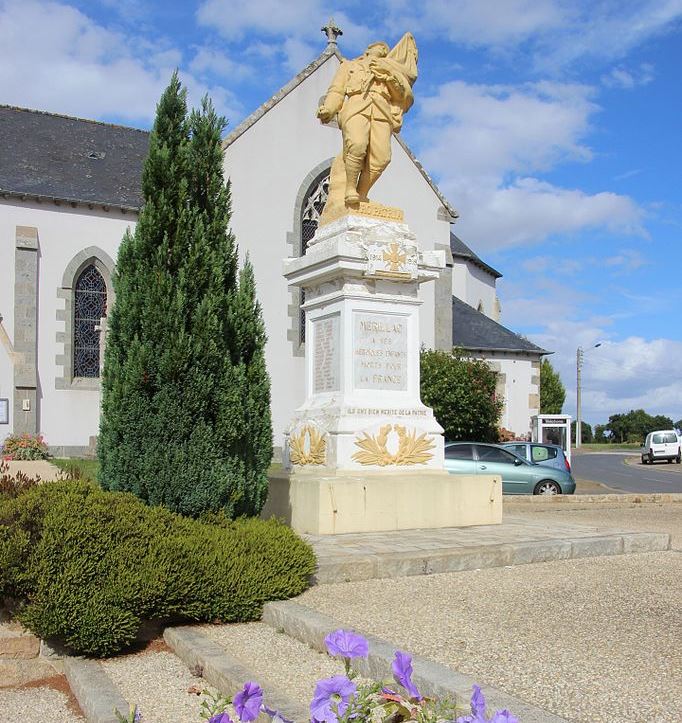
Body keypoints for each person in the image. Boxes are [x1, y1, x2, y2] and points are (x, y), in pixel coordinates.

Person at [317, 34, 418, 207]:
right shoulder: (350, 66)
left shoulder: (388, 71)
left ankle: (362, 194)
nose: (383, 50)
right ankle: (350, 190)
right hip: (356, 106)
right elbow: (337, 90)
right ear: (368, 50)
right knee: (356, 145)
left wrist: (388, 77)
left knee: (382, 158)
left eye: (385, 50)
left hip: (381, 112)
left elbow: (401, 96)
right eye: (379, 47)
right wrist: (329, 108)